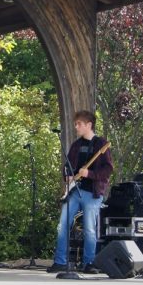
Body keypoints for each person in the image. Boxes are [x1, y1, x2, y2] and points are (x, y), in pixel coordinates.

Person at [48, 110, 113, 274]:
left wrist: (89, 174)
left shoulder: (101, 144)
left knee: (90, 229)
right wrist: (68, 175)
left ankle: (88, 263)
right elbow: (67, 166)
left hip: (92, 193)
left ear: (89, 125)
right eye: (75, 124)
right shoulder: (76, 145)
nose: (76, 127)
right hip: (74, 191)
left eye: (79, 124)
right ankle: (60, 262)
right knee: (63, 225)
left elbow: (108, 169)